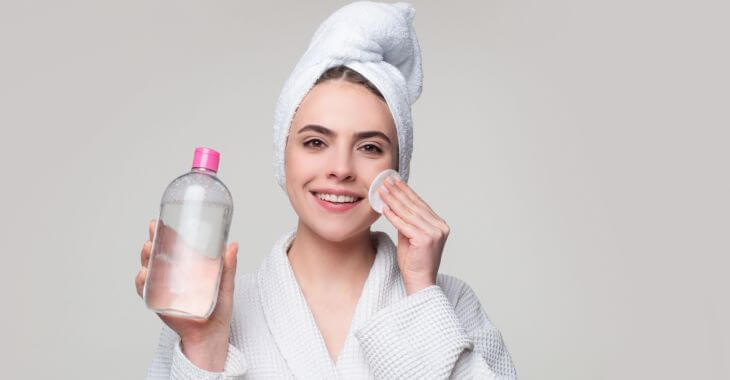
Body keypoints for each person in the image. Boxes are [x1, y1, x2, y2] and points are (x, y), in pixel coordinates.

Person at [136, 1, 517, 378]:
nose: (340, 169)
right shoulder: (208, 309)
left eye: (369, 147)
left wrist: (419, 298)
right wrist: (204, 346)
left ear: (398, 170)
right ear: (282, 155)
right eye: (316, 142)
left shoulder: (450, 304)